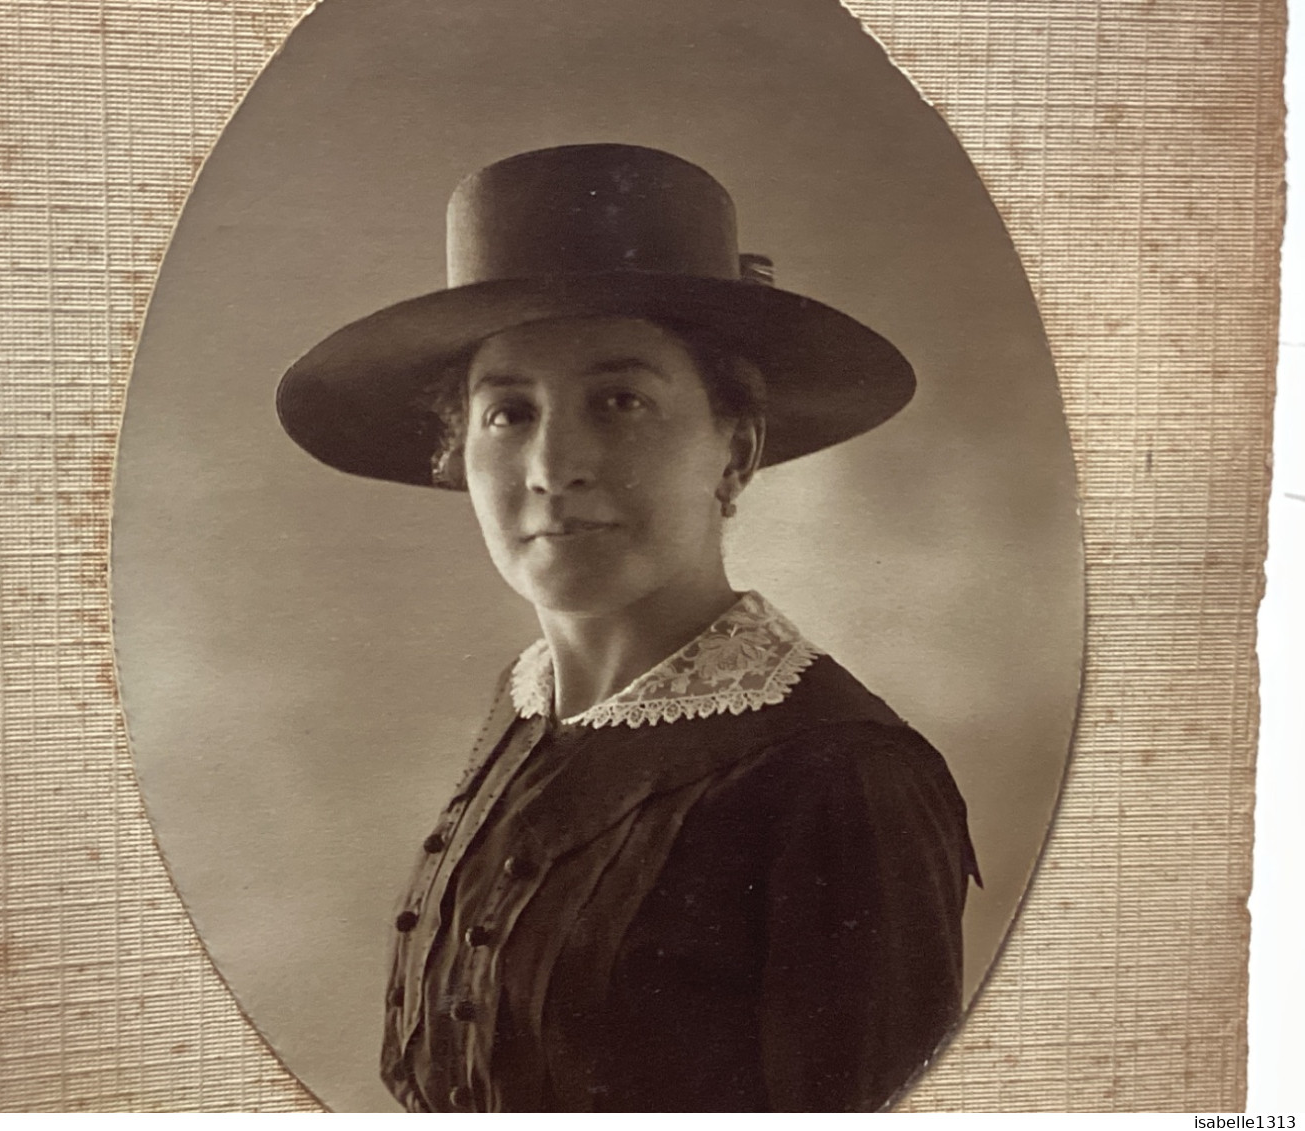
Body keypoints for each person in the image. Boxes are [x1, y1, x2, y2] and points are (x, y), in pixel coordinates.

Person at [277, 144, 979, 1112]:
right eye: (507, 414)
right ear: (457, 453)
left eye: (619, 402)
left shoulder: (842, 779)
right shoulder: (526, 711)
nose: (552, 464)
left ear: (735, 452)